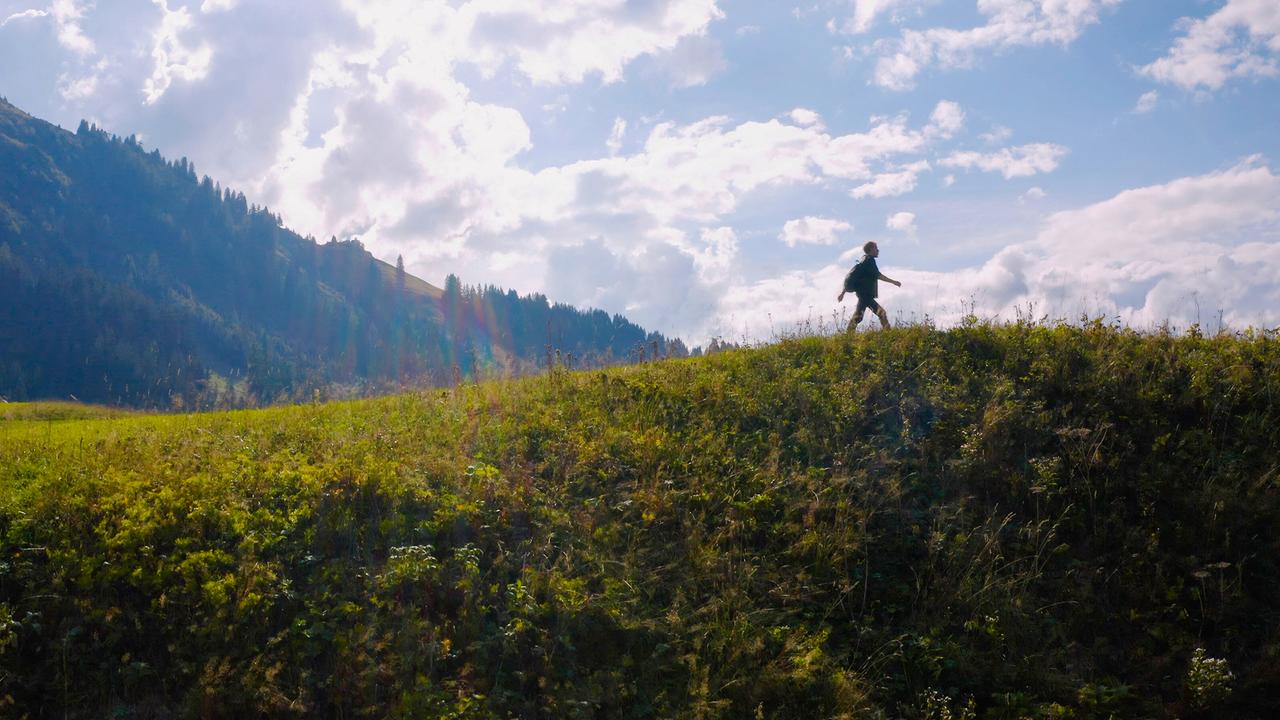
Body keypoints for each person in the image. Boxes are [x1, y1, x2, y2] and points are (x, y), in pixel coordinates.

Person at [838, 241, 901, 330]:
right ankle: (889, 333)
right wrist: (893, 282)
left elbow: (855, 275)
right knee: (881, 313)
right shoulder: (869, 260)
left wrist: (843, 293)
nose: (878, 250)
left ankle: (848, 334)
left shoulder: (864, 261)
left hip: (863, 294)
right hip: (865, 294)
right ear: (871, 249)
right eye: (876, 248)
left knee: (858, 316)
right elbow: (878, 275)